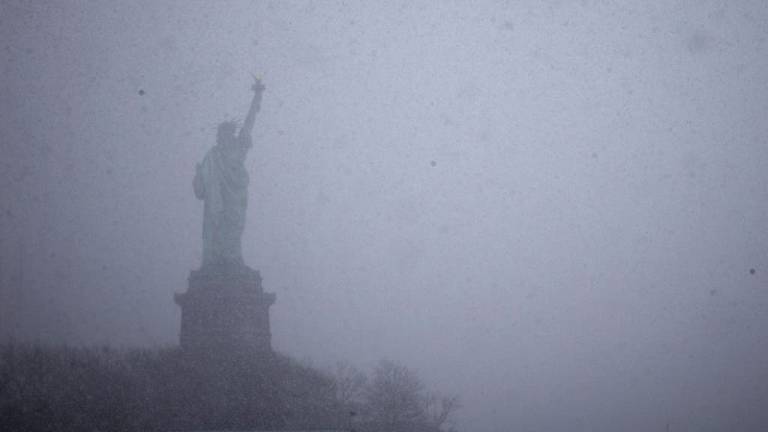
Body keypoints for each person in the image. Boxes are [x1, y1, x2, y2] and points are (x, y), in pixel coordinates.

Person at [194, 77, 265, 270]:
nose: (224, 137)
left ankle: (232, 260)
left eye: (227, 133)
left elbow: (250, 121)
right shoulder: (212, 156)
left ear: (231, 135)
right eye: (221, 134)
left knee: (234, 230)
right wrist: (198, 175)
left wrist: (257, 96)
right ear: (219, 136)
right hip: (217, 204)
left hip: (235, 201)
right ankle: (218, 262)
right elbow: (200, 192)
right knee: (218, 229)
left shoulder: (238, 148)